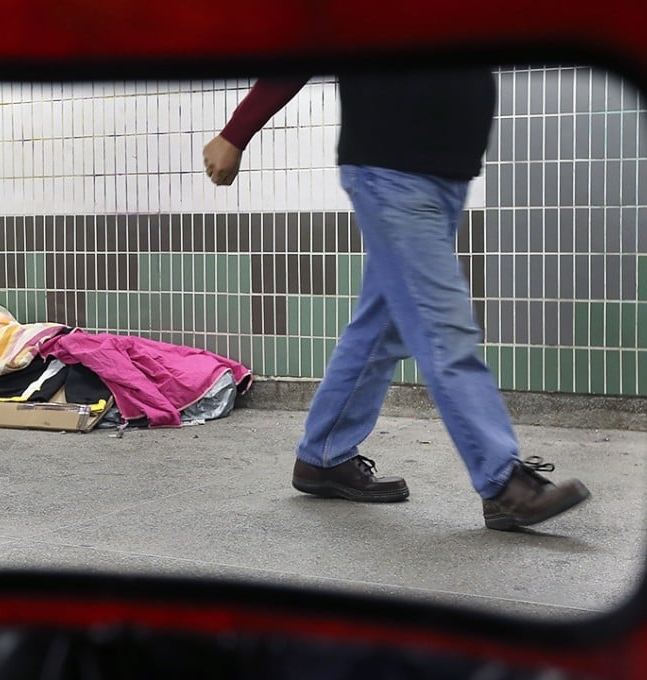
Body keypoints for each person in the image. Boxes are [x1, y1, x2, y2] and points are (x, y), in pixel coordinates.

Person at [202, 68, 590, 530]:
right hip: (393, 168)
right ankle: (504, 481)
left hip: (441, 174)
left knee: (381, 326)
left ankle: (323, 455)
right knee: (442, 326)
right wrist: (236, 132)